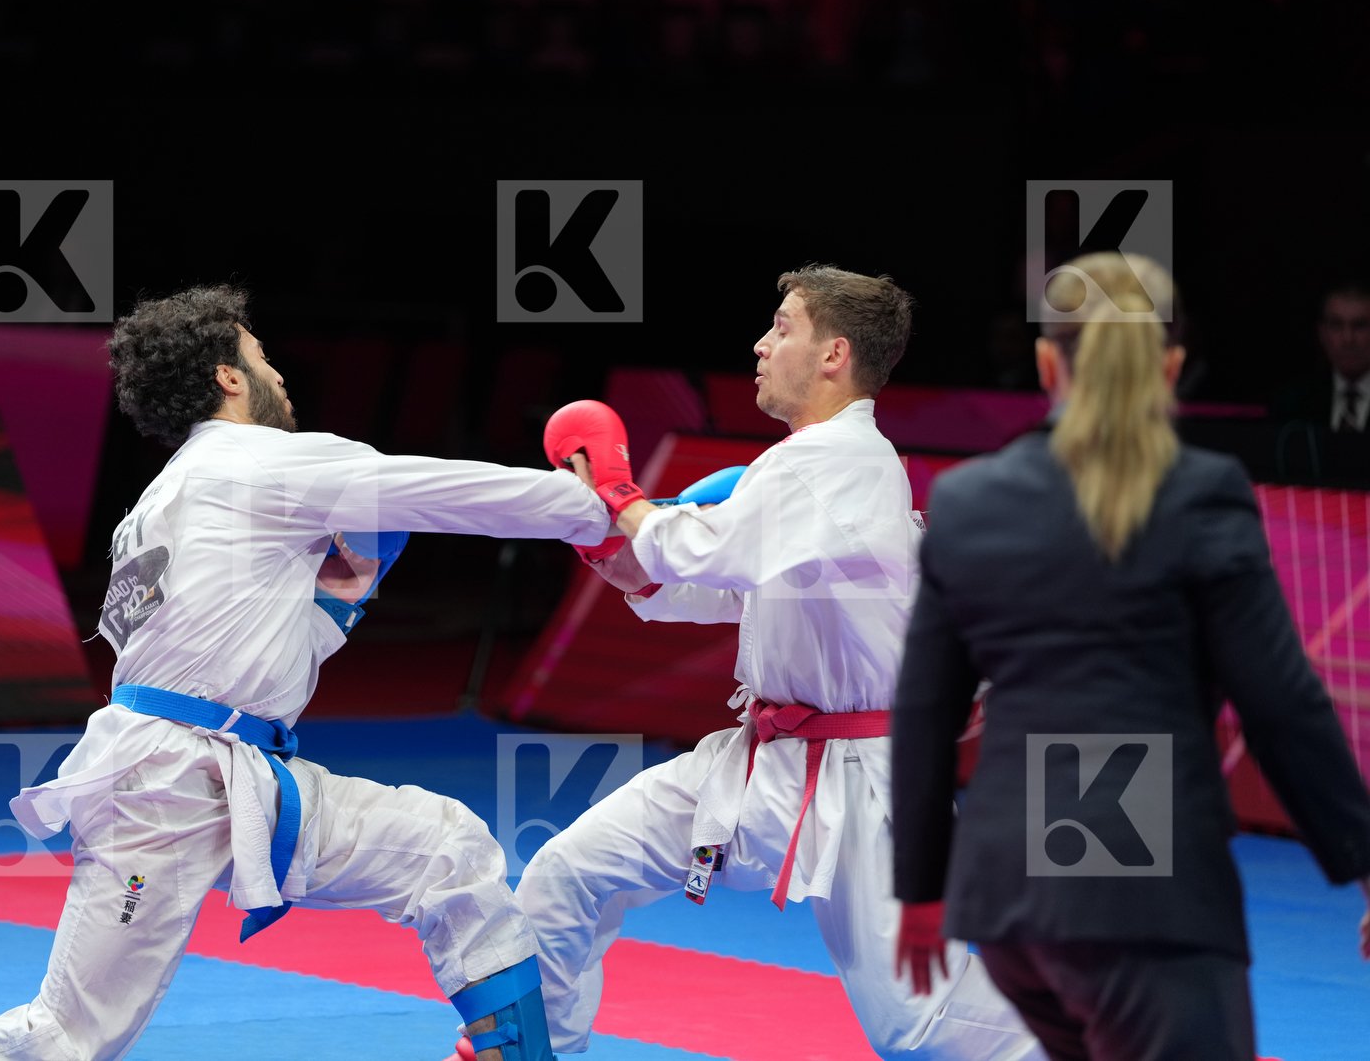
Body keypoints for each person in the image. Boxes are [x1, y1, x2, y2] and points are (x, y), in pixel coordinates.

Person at [0, 285, 605, 1061]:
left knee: (447, 848)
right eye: (263, 358)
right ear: (228, 376)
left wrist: (342, 598)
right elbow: (443, 490)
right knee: (67, 1040)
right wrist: (594, 508)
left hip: (227, 771)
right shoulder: (261, 461)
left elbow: (243, 654)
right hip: (167, 787)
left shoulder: (157, 503)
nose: (280, 375)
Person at [515, 266, 1044, 1060]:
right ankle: (527, 1049)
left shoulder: (833, 460)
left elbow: (704, 546)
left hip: (863, 781)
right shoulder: (816, 466)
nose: (761, 345)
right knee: (566, 877)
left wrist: (625, 497)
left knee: (917, 1027)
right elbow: (726, 586)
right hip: (760, 765)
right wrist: (622, 559)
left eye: (781, 327)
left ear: (834, 354)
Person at [890, 252, 1370, 1061]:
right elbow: (1280, 704)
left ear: (1047, 362)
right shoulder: (1203, 491)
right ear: (1173, 367)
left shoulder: (968, 499)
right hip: (1134, 887)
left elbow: (926, 709)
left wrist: (920, 892)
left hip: (1008, 896)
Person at [1273, 278, 1370, 487]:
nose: (1348, 338)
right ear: (1322, 333)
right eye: (1336, 325)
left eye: (1360, 326)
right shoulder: (1292, 405)